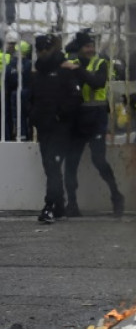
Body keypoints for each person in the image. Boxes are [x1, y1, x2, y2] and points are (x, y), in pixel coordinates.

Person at [63, 30, 124, 217]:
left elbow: (97, 82)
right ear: (79, 48)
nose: (90, 49)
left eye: (92, 46)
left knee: (99, 160)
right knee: (71, 162)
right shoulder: (71, 63)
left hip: (97, 118)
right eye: (86, 46)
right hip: (78, 119)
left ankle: (116, 196)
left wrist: (77, 70)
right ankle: (72, 203)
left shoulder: (101, 63)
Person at [29, 34, 82, 223]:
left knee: (53, 165)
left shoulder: (64, 70)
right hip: (44, 127)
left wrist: (61, 114)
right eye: (40, 49)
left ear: (52, 49)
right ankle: (59, 205)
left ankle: (49, 205)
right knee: (50, 167)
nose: (43, 52)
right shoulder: (38, 73)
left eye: (46, 49)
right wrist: (33, 116)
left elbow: (76, 97)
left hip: (60, 127)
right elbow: (32, 97)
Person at [4, 39, 33, 141]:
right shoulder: (30, 64)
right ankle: (30, 135)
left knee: (17, 116)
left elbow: (7, 78)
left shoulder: (11, 64)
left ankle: (21, 136)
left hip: (14, 92)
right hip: (28, 92)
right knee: (29, 115)